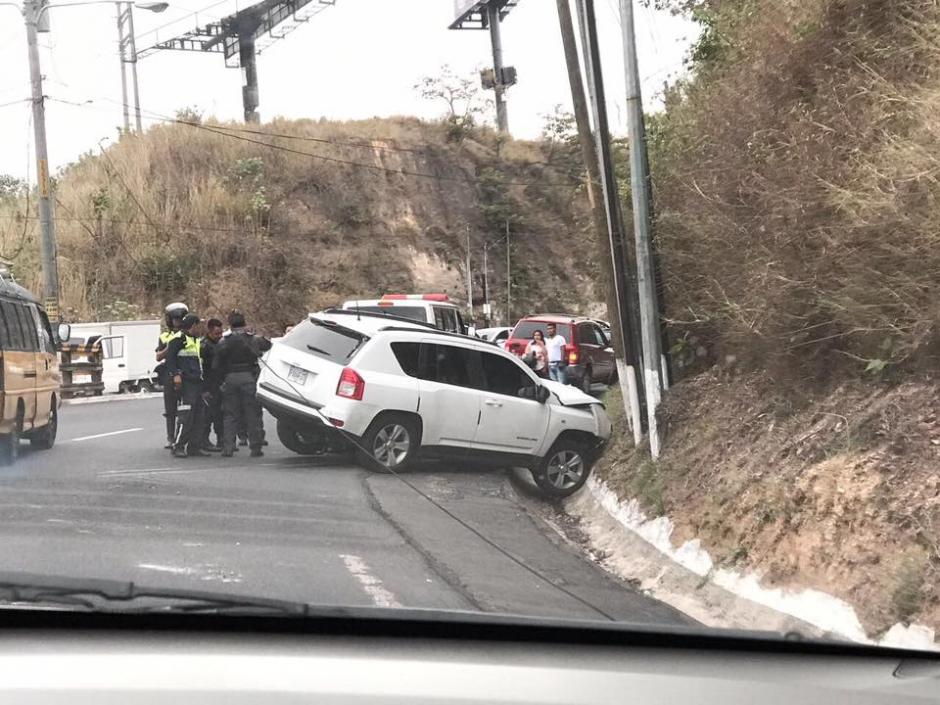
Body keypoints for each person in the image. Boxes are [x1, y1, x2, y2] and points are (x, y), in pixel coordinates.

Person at [212, 311, 272, 458]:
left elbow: (215, 365)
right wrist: (252, 333)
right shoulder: (252, 339)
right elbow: (268, 344)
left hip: (230, 378)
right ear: (244, 323)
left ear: (230, 325)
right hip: (249, 378)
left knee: (230, 414)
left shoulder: (224, 342)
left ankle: (228, 447)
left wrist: (221, 381)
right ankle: (256, 447)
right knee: (252, 413)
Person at [165, 313, 210, 458]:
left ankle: (194, 447)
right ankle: (178, 446)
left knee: (200, 416)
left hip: (197, 382)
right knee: (186, 416)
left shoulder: (195, 340)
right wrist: (176, 376)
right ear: (194, 325)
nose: (201, 328)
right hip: (186, 384)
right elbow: (170, 360)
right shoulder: (178, 339)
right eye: (199, 325)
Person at [155, 302, 187, 449]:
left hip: (187, 373)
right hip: (169, 374)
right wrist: (170, 347)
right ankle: (171, 437)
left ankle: (187, 436)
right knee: (170, 409)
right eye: (175, 319)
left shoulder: (189, 335)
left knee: (188, 407)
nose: (178, 322)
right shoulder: (165, 336)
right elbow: (158, 356)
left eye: (181, 319)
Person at [199, 318, 225, 453]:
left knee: (221, 414)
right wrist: (205, 389)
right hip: (209, 384)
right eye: (216, 333)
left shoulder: (221, 344)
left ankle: (222, 440)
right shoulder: (203, 346)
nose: (219, 336)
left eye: (221, 333)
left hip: (220, 383)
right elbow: (203, 369)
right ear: (209, 331)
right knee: (208, 415)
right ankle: (204, 441)